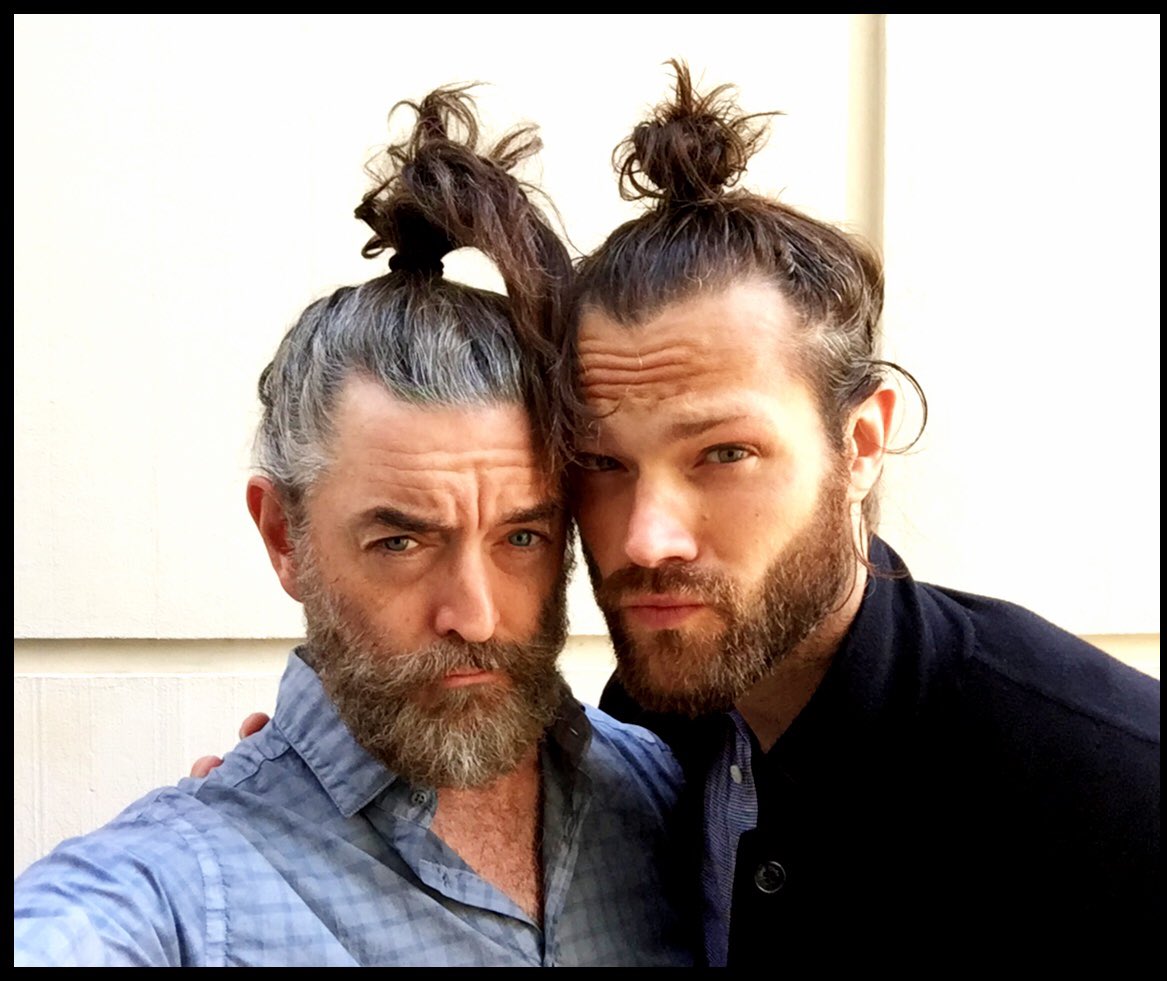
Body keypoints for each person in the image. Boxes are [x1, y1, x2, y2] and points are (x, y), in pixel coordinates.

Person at [12, 86, 695, 968]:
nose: (475, 614)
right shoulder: (177, 894)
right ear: (284, 537)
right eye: (401, 541)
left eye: (521, 536)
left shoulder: (675, 797)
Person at [563, 62, 1160, 960]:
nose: (646, 537)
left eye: (724, 453)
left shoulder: (1110, 781)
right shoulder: (648, 727)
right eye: (602, 462)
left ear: (861, 443)